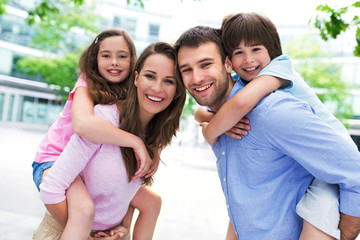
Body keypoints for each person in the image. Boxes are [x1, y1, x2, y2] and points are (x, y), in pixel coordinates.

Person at [174, 25, 360, 240]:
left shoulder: (274, 112)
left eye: (205, 64)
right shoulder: (219, 119)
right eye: (186, 70)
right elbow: (248, 197)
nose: (196, 78)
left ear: (227, 64)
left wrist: (342, 235)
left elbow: (356, 173)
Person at [33, 41, 186, 240]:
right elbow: (51, 189)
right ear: (137, 78)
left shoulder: (154, 134)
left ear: (177, 90)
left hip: (110, 234)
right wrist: (87, 235)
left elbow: (124, 189)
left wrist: (123, 226)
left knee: (153, 201)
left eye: (169, 81)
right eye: (150, 76)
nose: (157, 88)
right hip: (66, 231)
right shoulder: (103, 119)